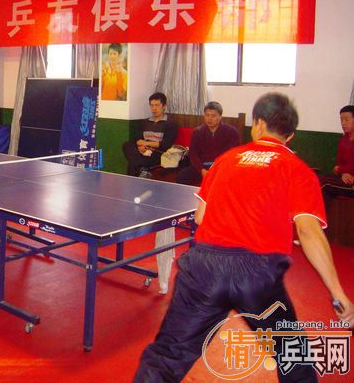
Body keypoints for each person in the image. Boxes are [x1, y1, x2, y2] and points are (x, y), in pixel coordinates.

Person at [133, 93, 354, 383]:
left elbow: (200, 218)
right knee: (293, 357)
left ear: (258, 124)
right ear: (290, 136)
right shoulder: (298, 169)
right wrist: (338, 294)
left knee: (167, 356)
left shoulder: (225, 160)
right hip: (257, 274)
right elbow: (308, 231)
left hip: (203, 268)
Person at [176, 101, 240, 186]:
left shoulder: (231, 132)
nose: (209, 119)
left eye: (213, 116)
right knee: (181, 176)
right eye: (207, 115)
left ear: (220, 117)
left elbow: (232, 155)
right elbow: (193, 155)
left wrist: (218, 169)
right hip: (202, 167)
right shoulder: (197, 132)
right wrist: (202, 170)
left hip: (221, 167)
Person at [122, 92, 178, 177]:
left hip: (158, 153)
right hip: (143, 150)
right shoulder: (145, 122)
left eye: (157, 105)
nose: (154, 108)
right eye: (151, 105)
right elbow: (138, 139)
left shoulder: (171, 123)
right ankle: (142, 169)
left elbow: (166, 145)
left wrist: (146, 144)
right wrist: (140, 147)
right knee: (127, 145)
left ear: (164, 106)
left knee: (133, 163)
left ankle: (138, 171)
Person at [319, 105, 354, 198]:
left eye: (346, 119)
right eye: (341, 120)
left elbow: (338, 168)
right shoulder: (343, 140)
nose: (343, 123)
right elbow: (339, 164)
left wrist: (340, 170)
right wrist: (343, 173)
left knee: (325, 184)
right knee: (319, 179)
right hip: (345, 179)